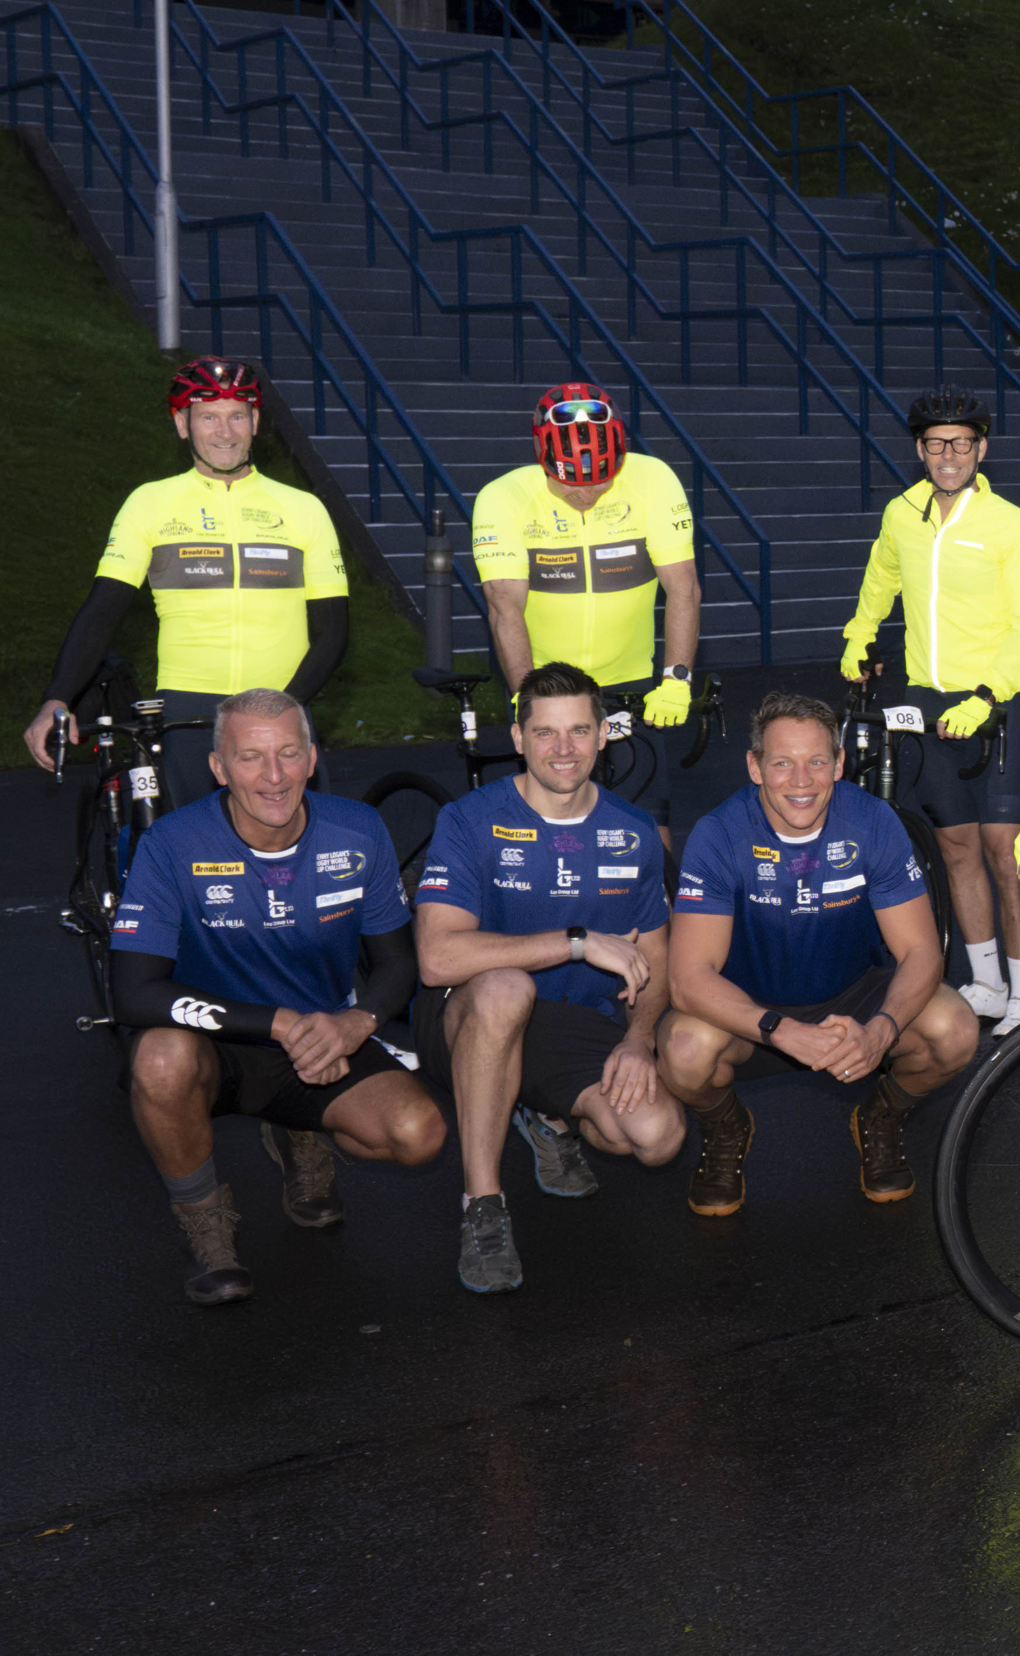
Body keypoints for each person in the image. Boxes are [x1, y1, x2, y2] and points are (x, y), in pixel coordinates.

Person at [106, 690, 443, 1305]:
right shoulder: (172, 845)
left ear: (312, 758)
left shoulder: (358, 830)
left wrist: (355, 1024)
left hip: (318, 1040)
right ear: (218, 769)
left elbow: (398, 963)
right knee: (158, 1060)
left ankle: (296, 1131)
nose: (274, 775)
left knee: (419, 1134)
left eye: (289, 753)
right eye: (251, 757)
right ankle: (204, 1223)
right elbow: (132, 993)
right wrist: (278, 1023)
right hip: (215, 1045)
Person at [409, 662, 680, 1295]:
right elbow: (437, 960)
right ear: (519, 737)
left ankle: (543, 1112)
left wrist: (639, 1041)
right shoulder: (470, 820)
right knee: (508, 989)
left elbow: (658, 959)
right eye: (547, 733)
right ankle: (483, 1205)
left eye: (580, 731)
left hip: (569, 1025)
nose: (564, 749)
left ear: (605, 735)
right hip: (469, 1013)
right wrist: (577, 942)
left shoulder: (633, 832)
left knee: (655, 1136)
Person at [659, 692, 981, 1217]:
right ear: (755, 766)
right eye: (782, 763)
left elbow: (922, 950)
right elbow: (690, 979)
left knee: (956, 1032)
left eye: (816, 761)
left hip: (852, 994)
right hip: (752, 1007)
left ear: (839, 764)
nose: (801, 780)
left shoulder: (872, 821)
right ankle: (724, 1126)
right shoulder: (720, 834)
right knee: (684, 1051)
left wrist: (881, 1029)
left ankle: (880, 1115)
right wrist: (781, 1031)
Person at [25, 359, 348, 810]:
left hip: (282, 704)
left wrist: (284, 708)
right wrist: (55, 698)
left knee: (299, 857)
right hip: (188, 714)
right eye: (208, 417)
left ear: (255, 422)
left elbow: (333, 631)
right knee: (199, 863)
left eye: (237, 415)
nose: (225, 431)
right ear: (182, 425)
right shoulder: (150, 503)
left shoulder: (304, 508)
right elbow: (101, 613)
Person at [839, 385, 1020, 1030]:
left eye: (962, 442)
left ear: (981, 448)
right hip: (928, 701)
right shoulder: (903, 513)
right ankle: (984, 982)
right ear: (920, 450)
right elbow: (882, 577)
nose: (950, 454)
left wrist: (989, 696)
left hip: (997, 700)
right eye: (937, 444)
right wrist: (860, 630)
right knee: (955, 845)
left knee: (1003, 846)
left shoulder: (1010, 524)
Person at [471, 382, 701, 742]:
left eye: (601, 482)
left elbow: (683, 586)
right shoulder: (503, 498)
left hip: (631, 681)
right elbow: (504, 607)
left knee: (640, 796)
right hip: (545, 683)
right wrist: (526, 696)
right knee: (555, 796)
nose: (587, 495)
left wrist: (676, 679)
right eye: (572, 485)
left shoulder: (653, 479)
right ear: (543, 461)